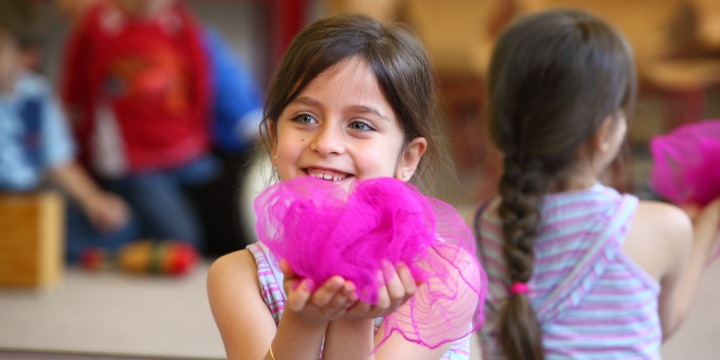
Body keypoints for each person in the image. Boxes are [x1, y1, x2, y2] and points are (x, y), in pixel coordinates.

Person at [207, 13, 484, 360]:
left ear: (408, 159)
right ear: (275, 140)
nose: (326, 143)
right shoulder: (239, 276)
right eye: (305, 118)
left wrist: (354, 320)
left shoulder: (440, 274)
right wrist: (304, 321)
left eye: (359, 124)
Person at [473, 9, 720, 359]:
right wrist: (707, 226)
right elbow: (659, 326)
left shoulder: (482, 229)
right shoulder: (665, 227)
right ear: (606, 133)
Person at [0, 1, 130, 246]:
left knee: (120, 229)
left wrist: (95, 201)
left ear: (27, 57)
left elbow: (58, 162)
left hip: (27, 202)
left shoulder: (37, 95)